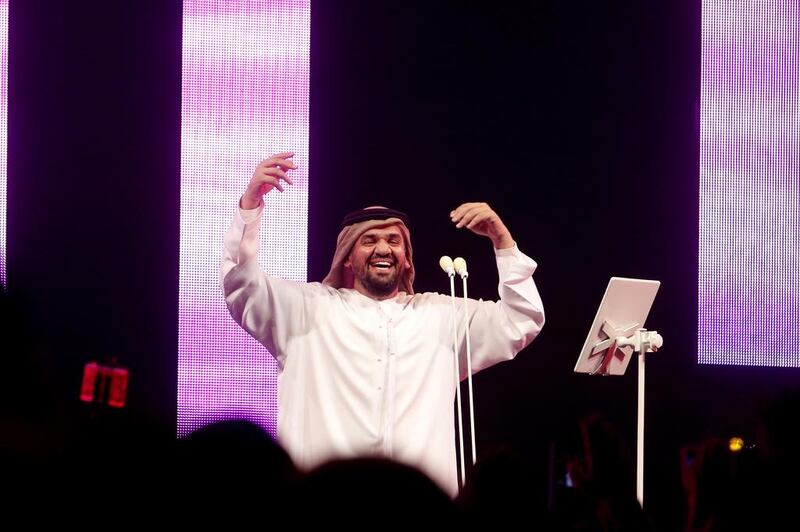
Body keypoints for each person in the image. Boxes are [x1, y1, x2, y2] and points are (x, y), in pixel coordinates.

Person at [221, 151, 545, 495]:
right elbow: (243, 285)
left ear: (406, 260)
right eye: (369, 240)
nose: (383, 249)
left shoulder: (439, 317)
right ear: (348, 255)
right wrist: (250, 206)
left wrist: (502, 242)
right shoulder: (306, 310)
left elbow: (520, 320)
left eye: (394, 241)